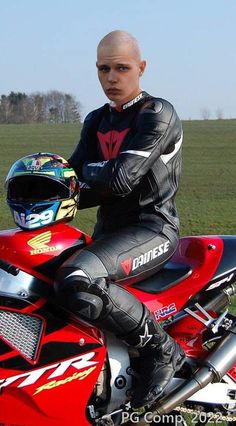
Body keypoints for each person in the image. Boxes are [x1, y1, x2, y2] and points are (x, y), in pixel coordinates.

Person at [55, 30, 185, 409]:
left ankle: (162, 350)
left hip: (152, 229)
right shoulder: (97, 119)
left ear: (141, 68)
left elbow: (121, 178)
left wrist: (81, 175)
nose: (112, 77)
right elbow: (72, 181)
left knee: (79, 279)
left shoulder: (157, 113)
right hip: (109, 234)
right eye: (103, 69)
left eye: (122, 68)